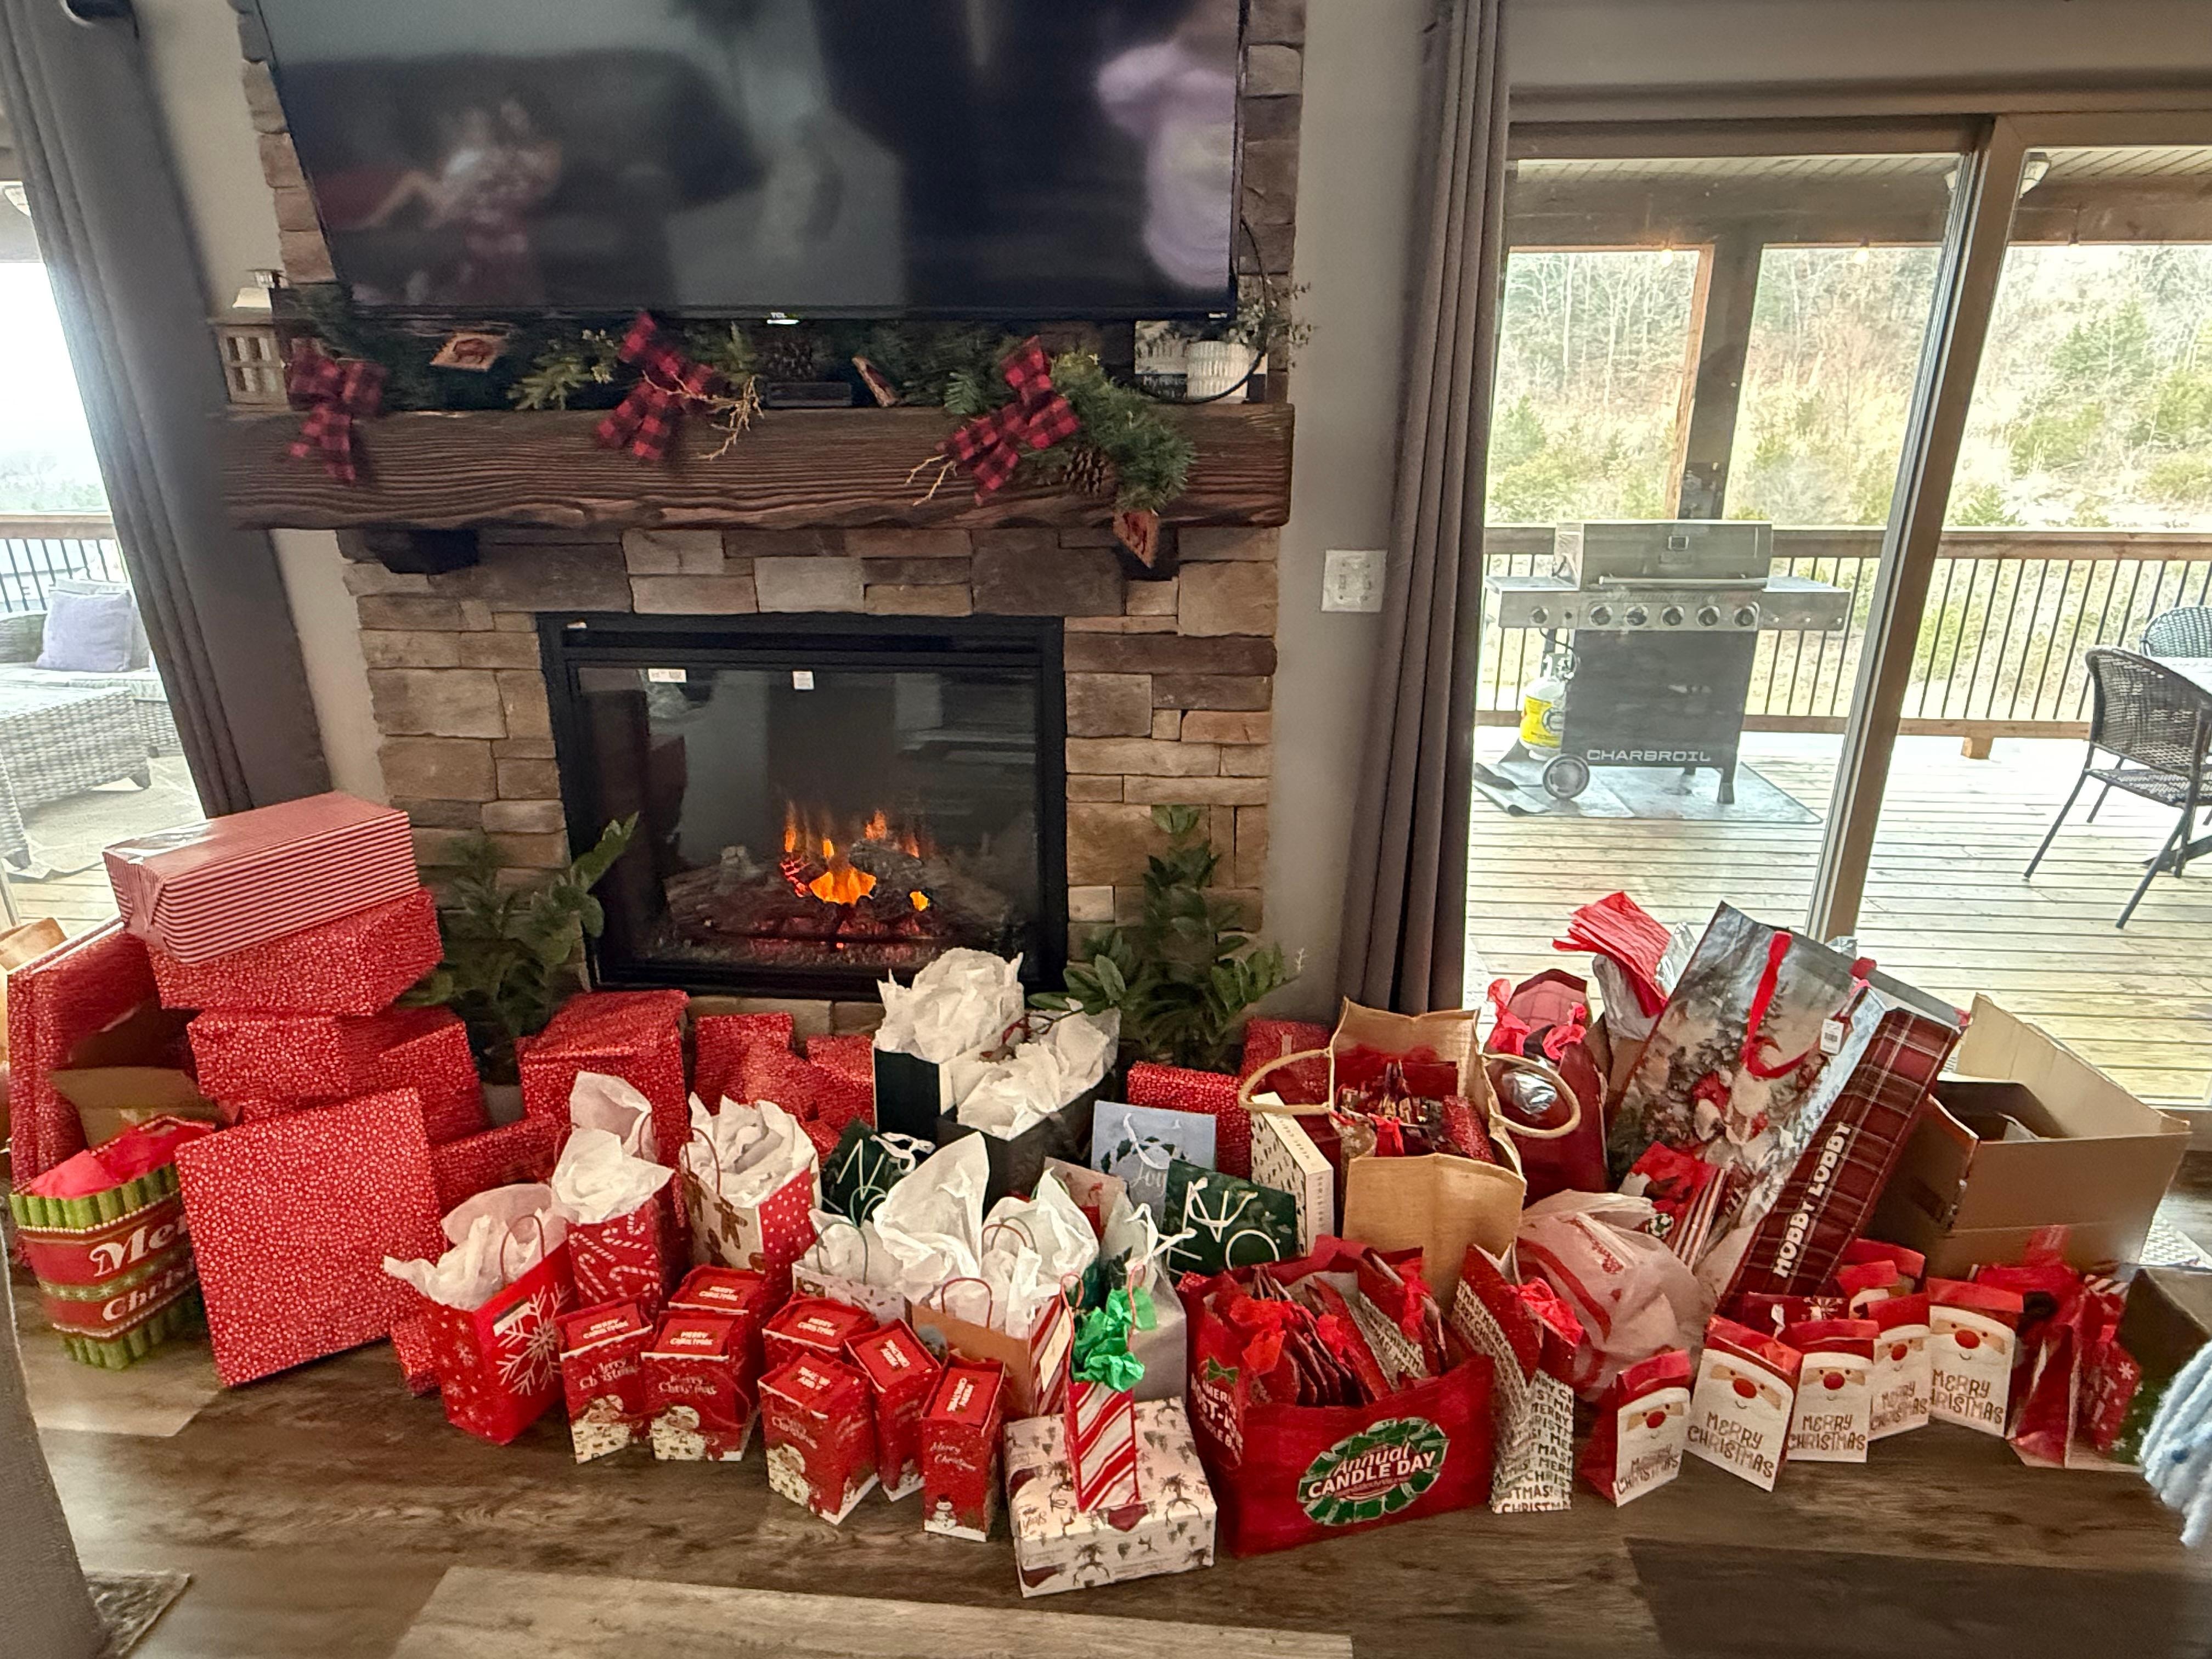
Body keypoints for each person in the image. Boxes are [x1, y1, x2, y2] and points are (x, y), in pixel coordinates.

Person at [1097, 0, 1239, 294]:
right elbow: (1114, 88)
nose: (1220, 16)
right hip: (1168, 255)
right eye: (1210, 9)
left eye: (1230, 8)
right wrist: (1185, 52)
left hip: (1231, 265)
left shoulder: (1260, 84)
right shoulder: (1169, 78)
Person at [364, 96, 564, 305]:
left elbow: (543, 183)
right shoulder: (487, 153)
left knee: (480, 213)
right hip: (472, 198)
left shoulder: (543, 148)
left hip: (501, 201)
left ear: (532, 115)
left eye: (516, 115)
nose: (513, 122)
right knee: (453, 197)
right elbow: (466, 177)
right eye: (507, 117)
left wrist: (504, 168)